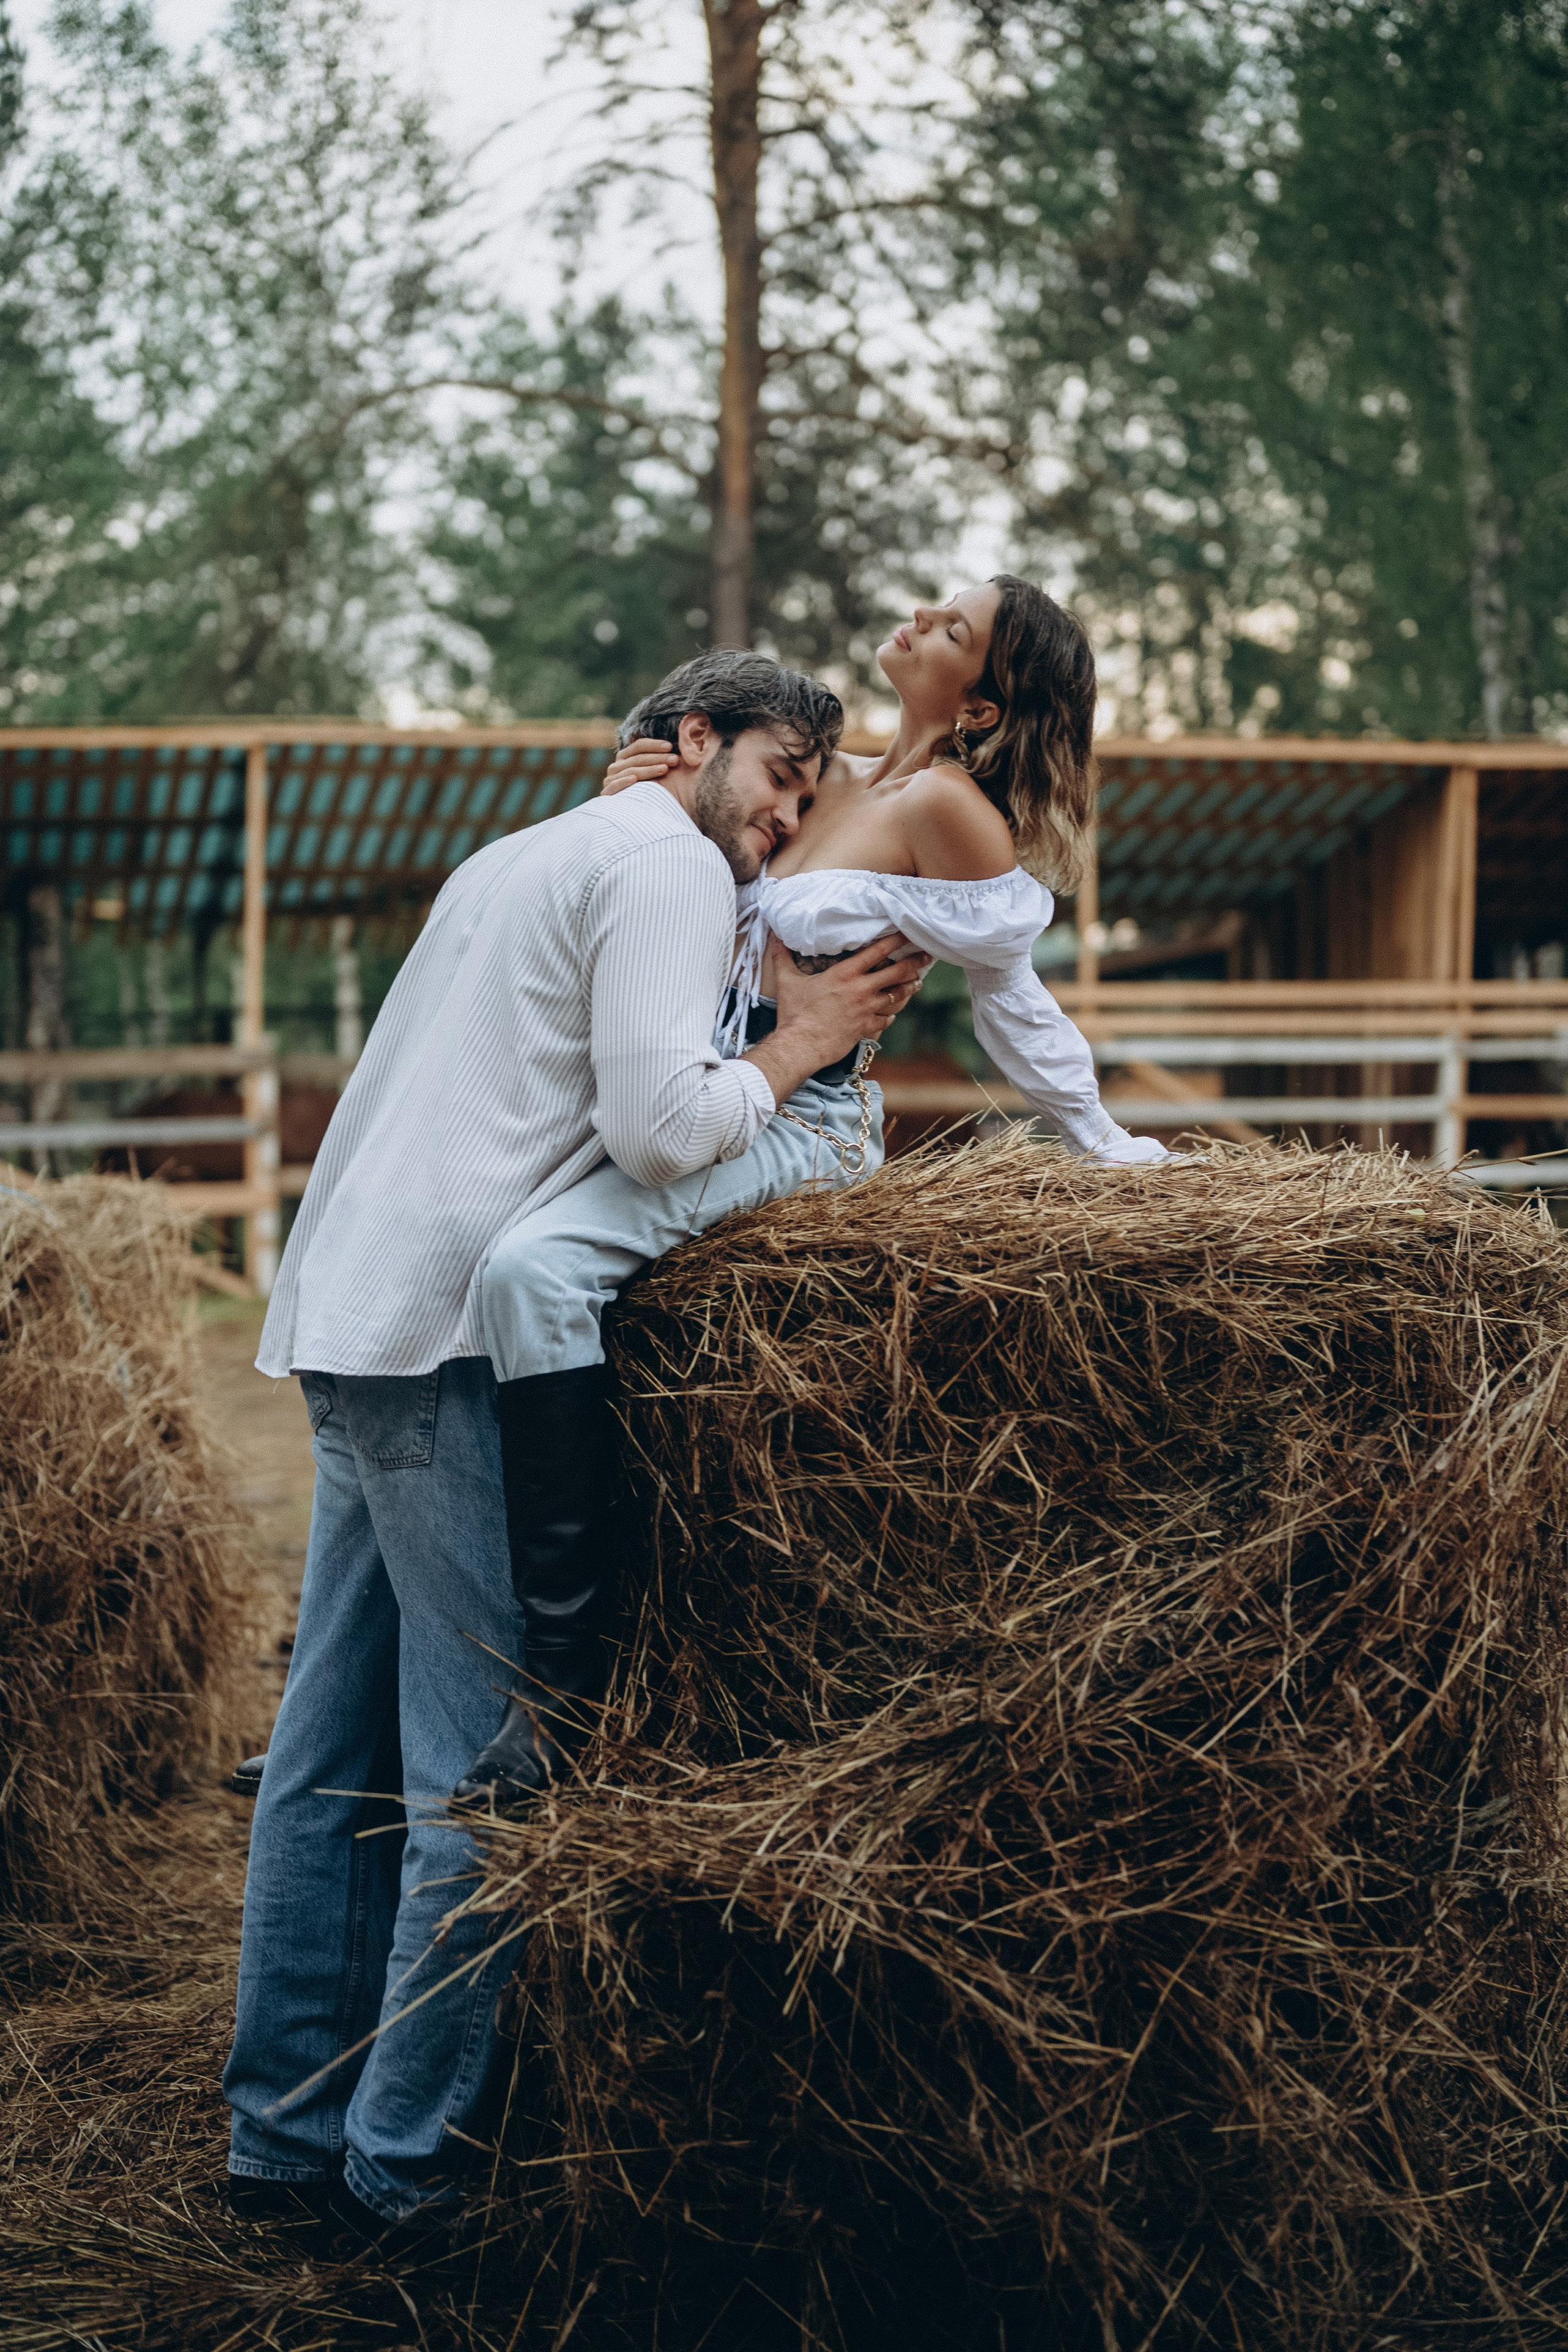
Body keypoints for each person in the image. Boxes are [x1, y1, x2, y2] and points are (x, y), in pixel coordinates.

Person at [222, 654, 927, 2240]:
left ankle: (278, 2138)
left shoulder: (527, 849)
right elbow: (662, 1128)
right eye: (780, 771)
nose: (794, 807)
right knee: (485, 1773)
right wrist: (803, 1041)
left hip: (352, 1316)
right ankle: (400, 2176)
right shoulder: (667, 860)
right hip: (453, 1340)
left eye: (817, 786)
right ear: (692, 743)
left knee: (329, 1758)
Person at [454, 576, 1169, 1814]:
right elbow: (683, 885)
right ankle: (375, 1690)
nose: (914, 619)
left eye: (949, 630)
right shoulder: (816, 772)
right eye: (929, 605)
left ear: (985, 703)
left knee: (534, 1275)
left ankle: (565, 1685)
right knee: (466, 1247)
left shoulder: (952, 815)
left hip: (807, 1118)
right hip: (705, 1084)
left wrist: (1097, 1139)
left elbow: (1012, 997)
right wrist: (640, 809)